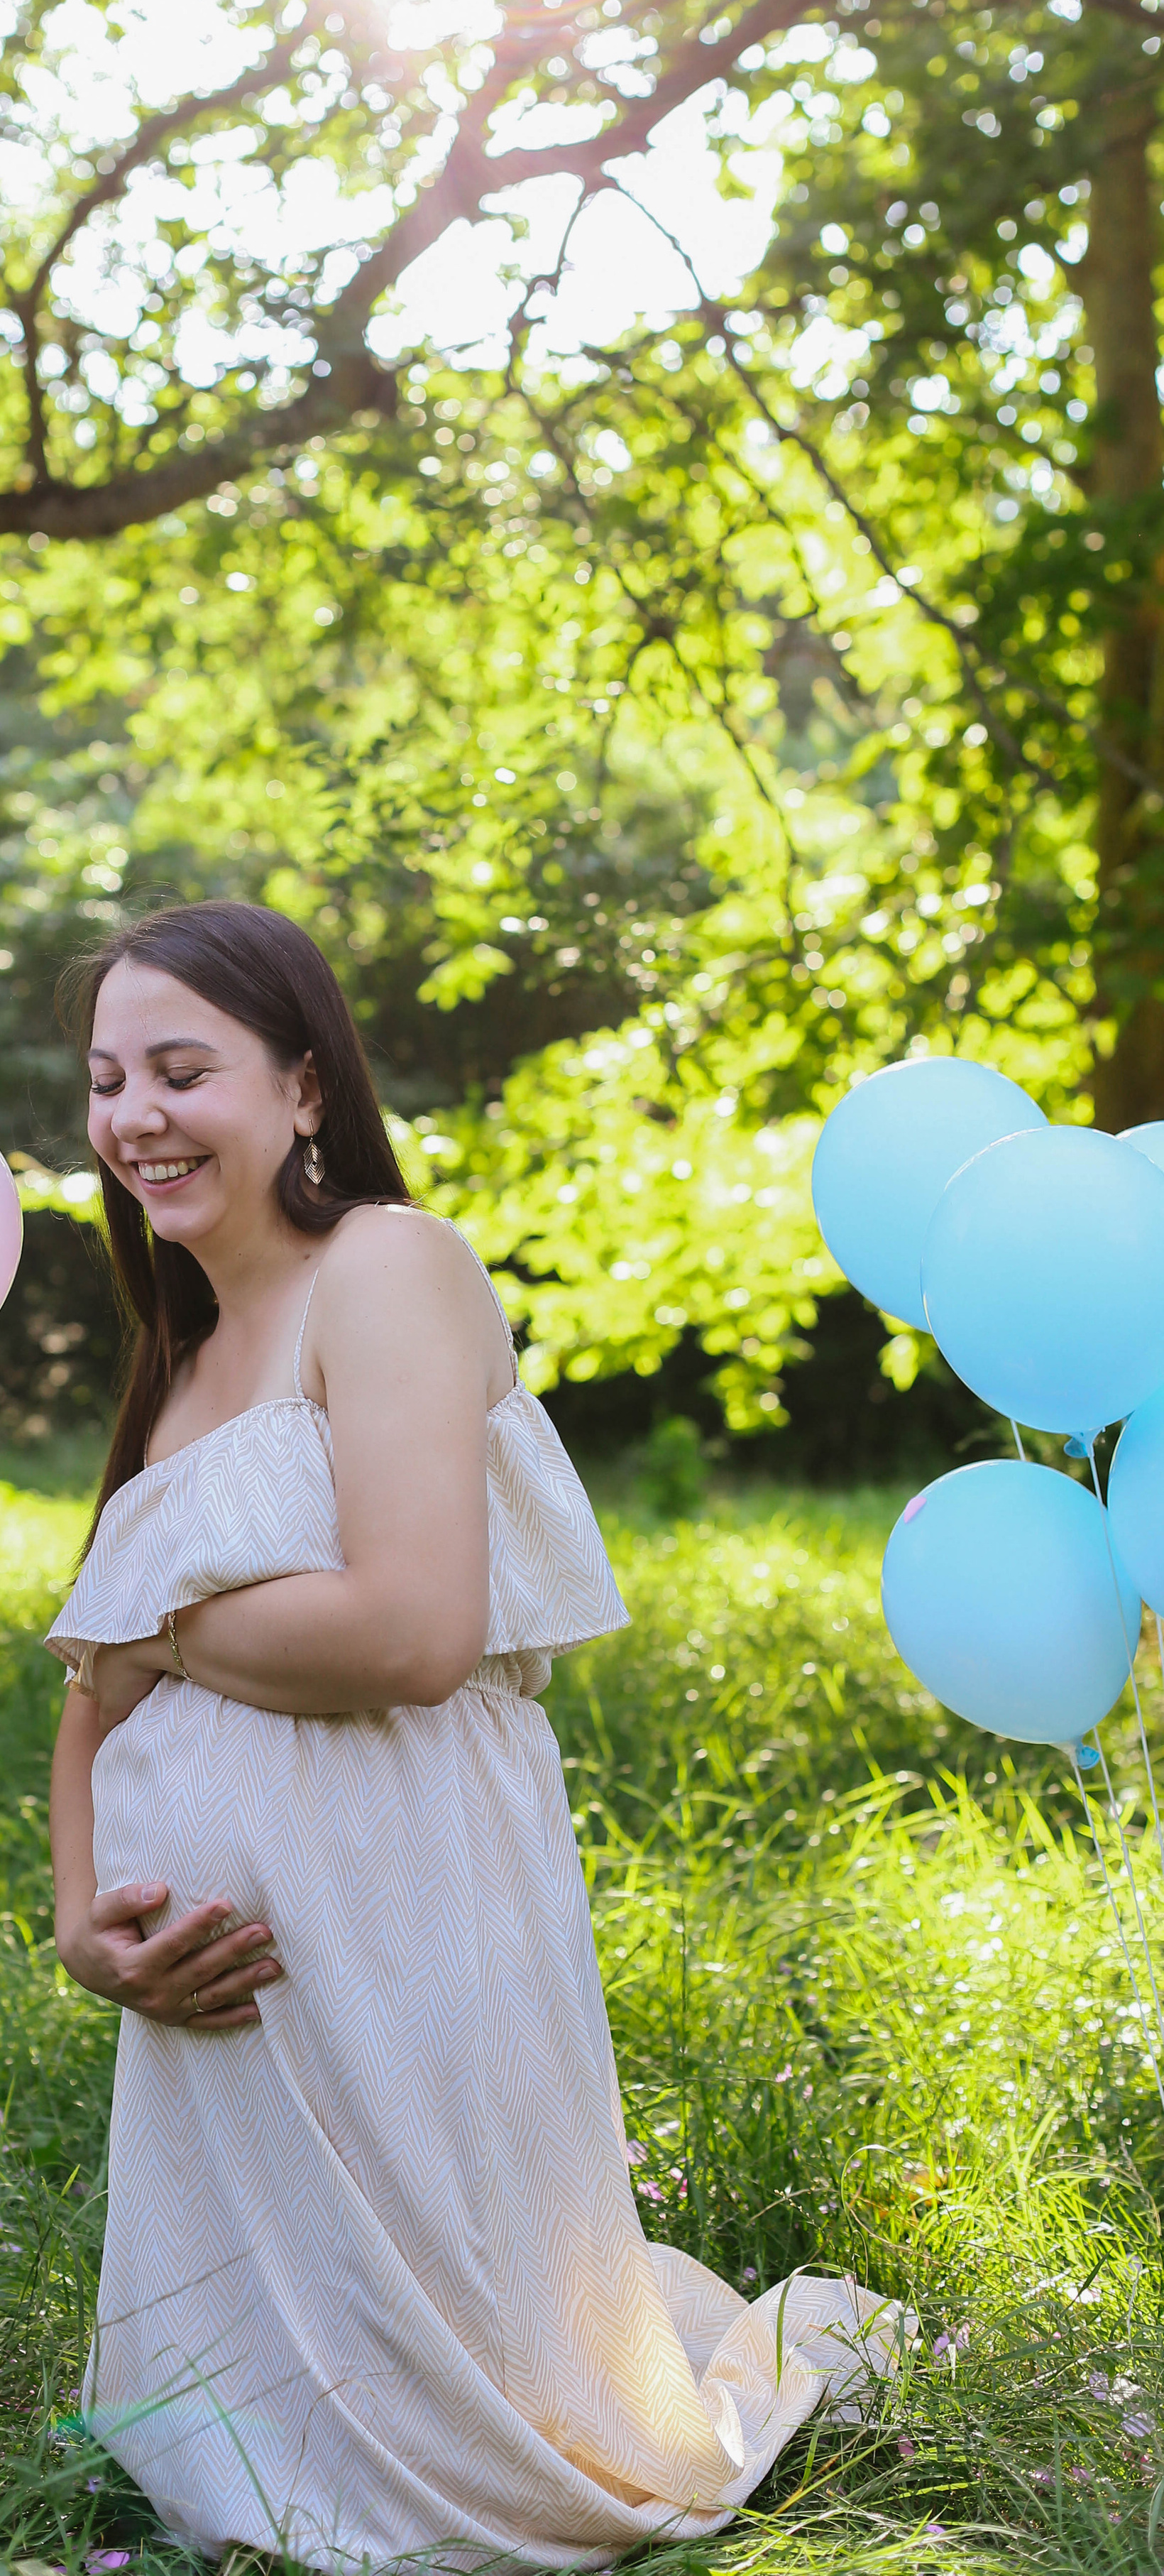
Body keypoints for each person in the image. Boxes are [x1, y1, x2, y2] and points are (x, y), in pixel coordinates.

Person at [45, 900, 901, 2573]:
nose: (132, 1115)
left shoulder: (385, 1267)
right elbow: (88, 1710)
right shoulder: (179, 1360)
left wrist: (158, 1617)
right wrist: (87, 1927)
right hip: (216, 2001)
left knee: (483, 2451)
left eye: (178, 1068)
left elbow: (414, 1630)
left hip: (408, 1896)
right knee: (245, 2452)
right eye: (101, 1081)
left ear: (302, 1088)